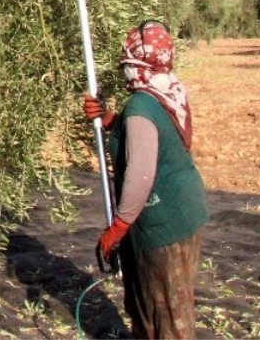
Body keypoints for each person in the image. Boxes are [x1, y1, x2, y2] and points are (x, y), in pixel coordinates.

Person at [82, 20, 208, 340]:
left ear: (141, 67)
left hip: (163, 225)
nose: (126, 77)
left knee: (164, 315)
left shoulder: (141, 104)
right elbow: (146, 134)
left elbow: (140, 174)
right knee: (169, 308)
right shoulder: (169, 89)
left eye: (129, 69)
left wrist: (117, 228)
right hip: (185, 212)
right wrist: (109, 119)